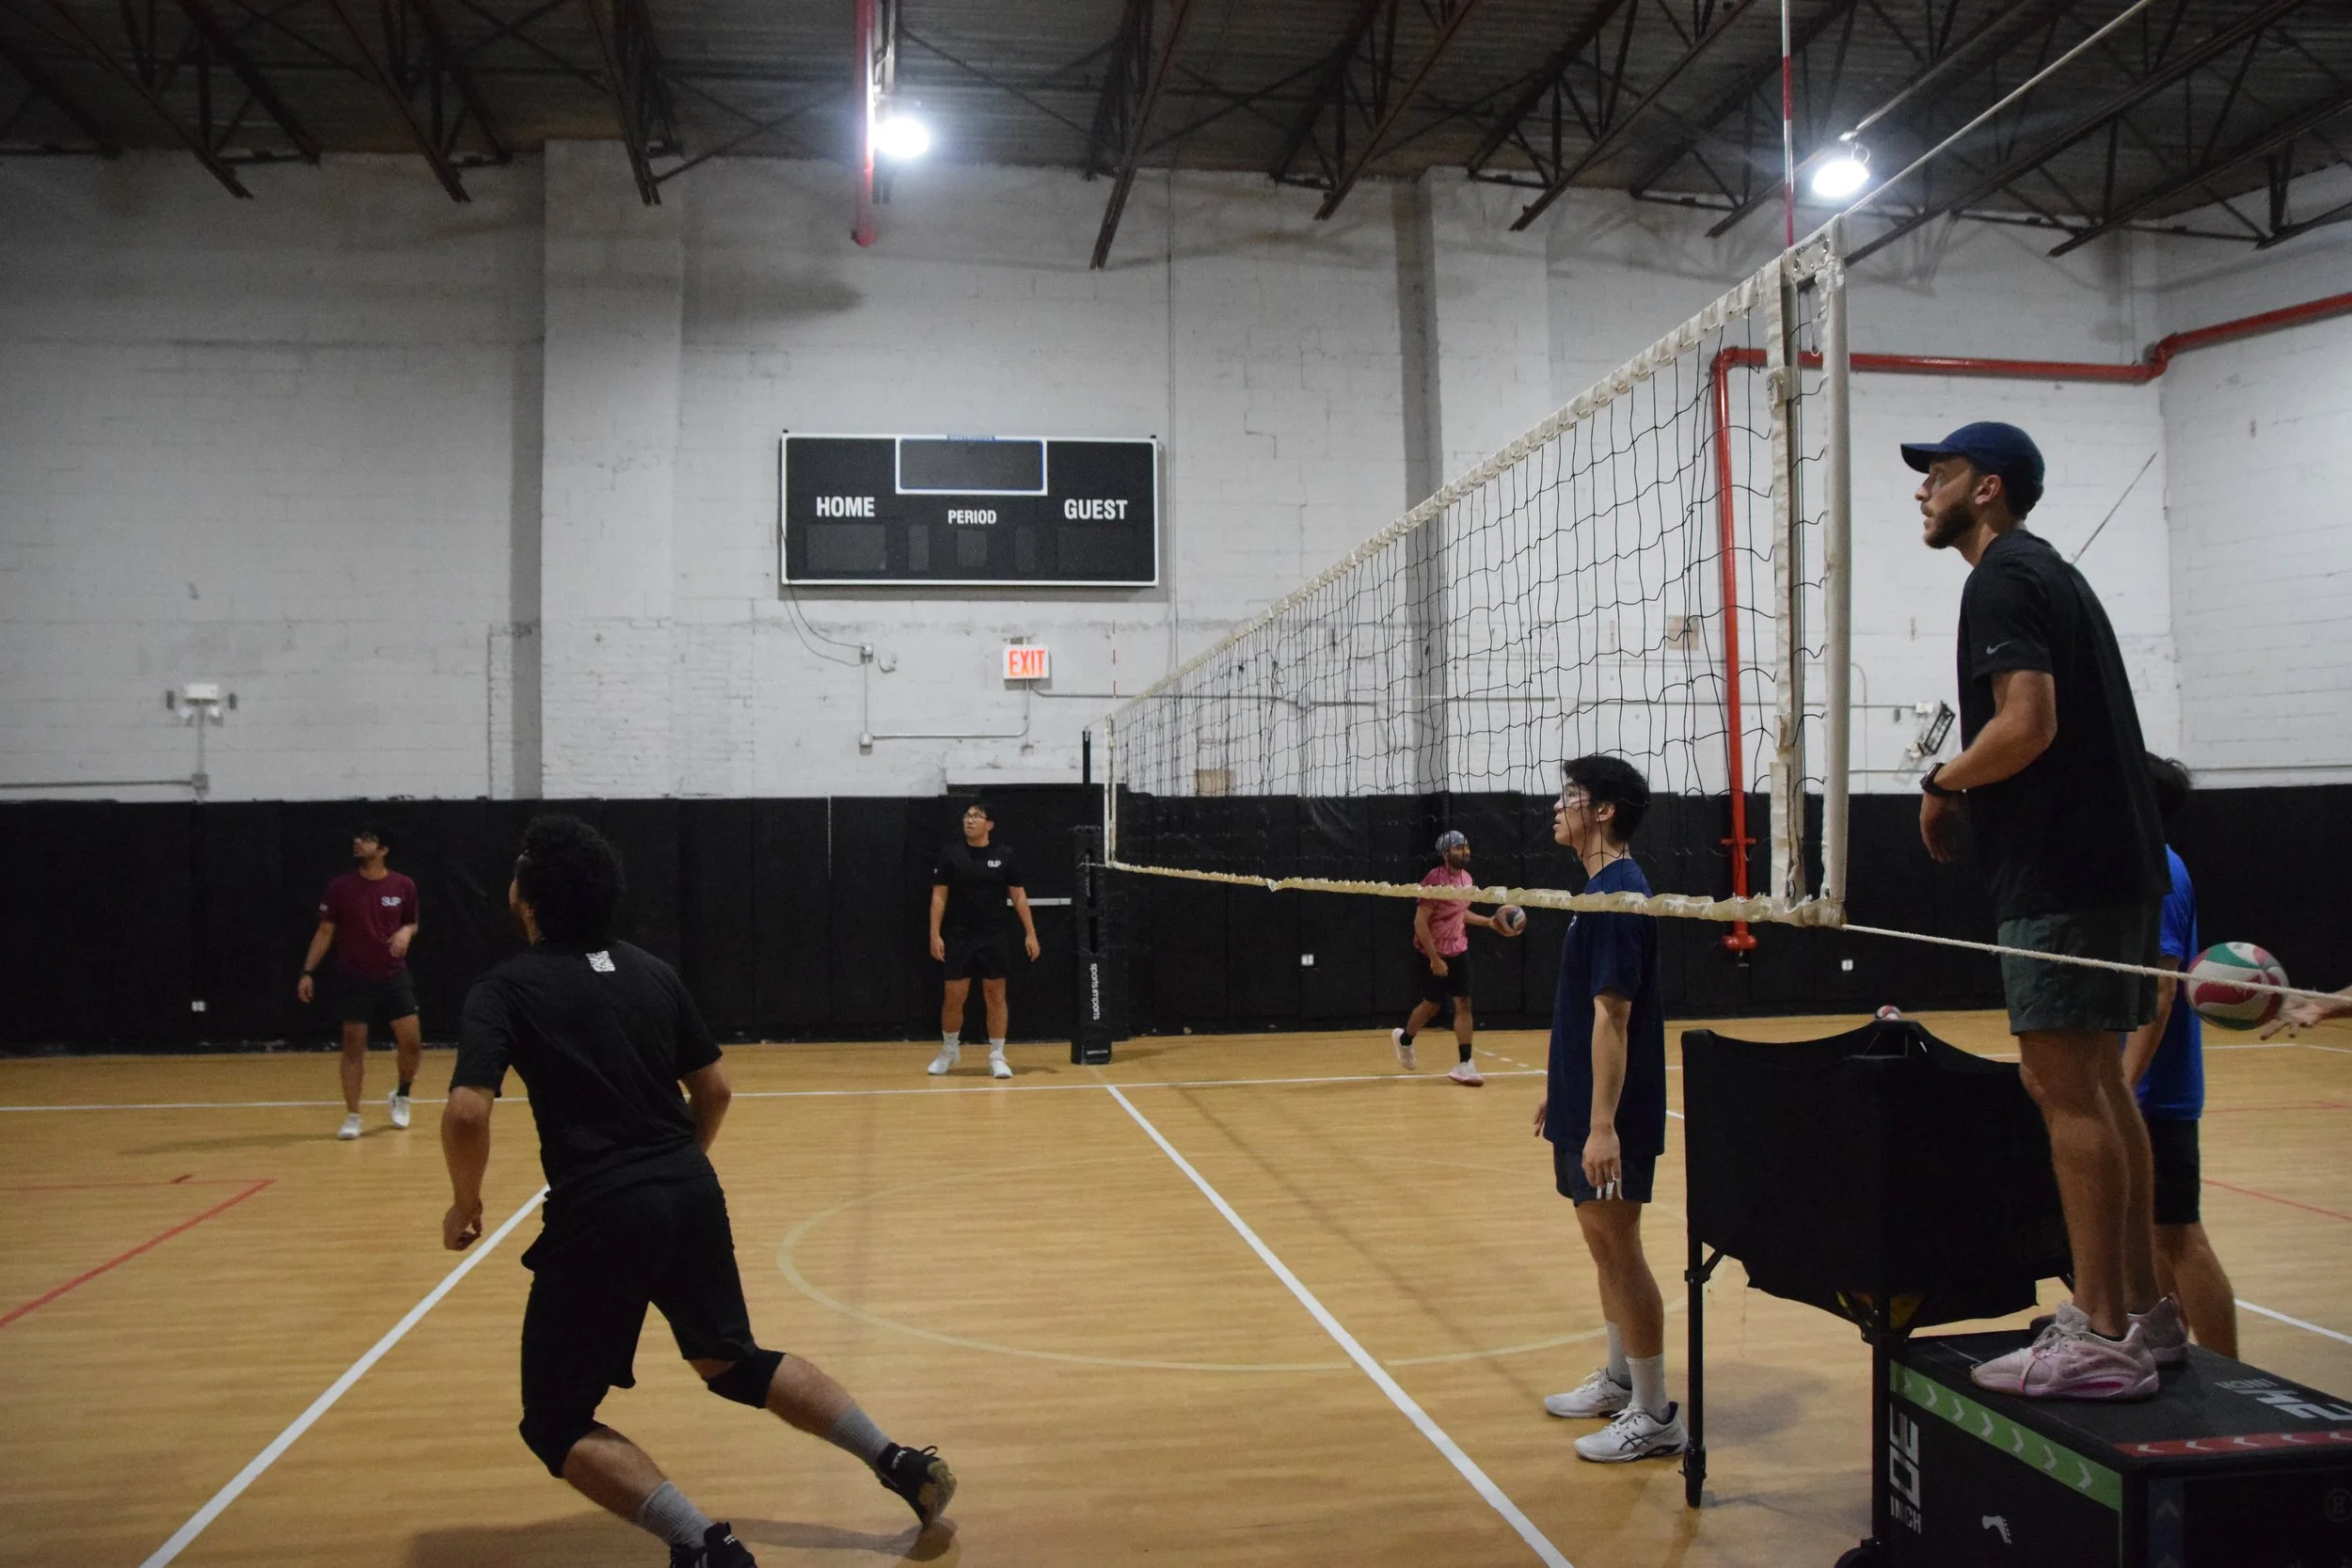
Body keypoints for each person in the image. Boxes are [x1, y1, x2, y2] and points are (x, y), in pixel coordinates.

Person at [441, 816, 954, 1568]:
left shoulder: (504, 989)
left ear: (527, 900)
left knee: (554, 1422)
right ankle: (901, 1461)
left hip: (601, 1211)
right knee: (734, 1361)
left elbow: (464, 1110)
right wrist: (677, 1164)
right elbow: (713, 1089)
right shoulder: (652, 970)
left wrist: (465, 1201)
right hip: (690, 1187)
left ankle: (703, 1545)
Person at [1904, 422, 2176, 1401]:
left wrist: (1941, 779)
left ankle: (2100, 1328)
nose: (1922, 491)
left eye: (1935, 475)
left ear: (1986, 486)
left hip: (2061, 873)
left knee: (2063, 1087)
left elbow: (2027, 723)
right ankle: (2143, 1310)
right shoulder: (2045, 571)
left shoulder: (2002, 577)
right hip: (2110, 865)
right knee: (2099, 1084)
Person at [1534, 756, 1683, 1463]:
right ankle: (1623, 1380)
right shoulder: (1596, 890)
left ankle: (1656, 1414)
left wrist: (1600, 1124)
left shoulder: (1622, 894)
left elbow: (1615, 1017)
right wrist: (1560, 1092)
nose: (1556, 807)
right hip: (1581, 1102)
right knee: (1601, 1245)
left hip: (1613, 1116)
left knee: (1621, 1247)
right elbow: (1581, 1017)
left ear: (1603, 812)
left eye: (1571, 796)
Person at [2123, 755, 2235, 1357]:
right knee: (2146, 1234)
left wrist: (2123, 1085)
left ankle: (2237, 1381)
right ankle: (2167, 1350)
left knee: (2179, 1236)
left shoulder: (2162, 874)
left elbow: (2161, 993)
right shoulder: (2139, 868)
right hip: (2134, 1090)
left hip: (2155, 1094)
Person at [297, 821, 421, 1141]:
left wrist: (406, 933)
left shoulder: (404, 885)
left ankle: (402, 1094)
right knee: (354, 1046)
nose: (358, 842)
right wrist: (307, 971)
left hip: (394, 976)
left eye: (367, 839)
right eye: (357, 837)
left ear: (383, 850)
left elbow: (411, 922)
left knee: (411, 1041)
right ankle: (353, 1114)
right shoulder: (340, 887)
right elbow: (325, 931)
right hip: (354, 978)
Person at [1391, 830, 1517, 1085]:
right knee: (1431, 1006)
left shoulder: (1467, 879)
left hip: (1459, 950)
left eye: (1467, 846)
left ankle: (1465, 1063)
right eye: (1459, 848)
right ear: (1446, 854)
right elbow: (1420, 922)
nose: (1466, 851)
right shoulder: (1434, 880)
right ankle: (1404, 1041)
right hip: (1432, 953)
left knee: (1464, 1004)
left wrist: (1490, 922)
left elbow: (1460, 914)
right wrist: (1435, 959)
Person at [927, 800, 1041, 1079]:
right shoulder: (950, 854)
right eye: (967, 815)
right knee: (954, 996)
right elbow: (939, 896)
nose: (970, 820)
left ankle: (997, 1055)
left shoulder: (1004, 855)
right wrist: (934, 934)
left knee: (995, 994)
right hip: (958, 936)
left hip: (994, 935)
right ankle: (950, 1050)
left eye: (977, 816)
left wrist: (1031, 933)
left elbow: (1018, 895)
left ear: (989, 825)